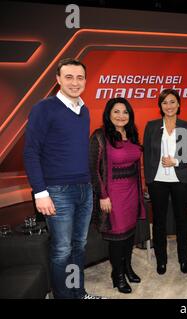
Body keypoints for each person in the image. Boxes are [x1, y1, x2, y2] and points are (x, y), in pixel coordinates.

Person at [23, 58, 103, 299]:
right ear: (57, 80)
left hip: (84, 189)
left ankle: (78, 293)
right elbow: (30, 152)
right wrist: (40, 192)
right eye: (68, 77)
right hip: (57, 191)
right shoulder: (43, 108)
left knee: (79, 247)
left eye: (80, 77)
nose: (75, 82)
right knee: (61, 250)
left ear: (85, 81)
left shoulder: (84, 110)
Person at [89, 97, 147, 294]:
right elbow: (93, 170)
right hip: (113, 195)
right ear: (108, 114)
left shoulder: (131, 134)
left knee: (130, 233)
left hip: (132, 193)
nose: (121, 116)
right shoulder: (99, 136)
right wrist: (103, 196)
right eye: (116, 111)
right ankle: (118, 274)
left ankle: (128, 267)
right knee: (117, 237)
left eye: (125, 112)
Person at [144, 89, 187, 275]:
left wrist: (176, 161)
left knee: (181, 220)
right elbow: (147, 155)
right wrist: (148, 179)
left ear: (179, 104)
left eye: (172, 102)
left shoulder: (186, 126)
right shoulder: (151, 126)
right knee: (159, 221)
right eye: (165, 102)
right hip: (157, 181)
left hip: (180, 179)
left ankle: (184, 259)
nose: (169, 106)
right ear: (160, 106)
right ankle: (161, 260)